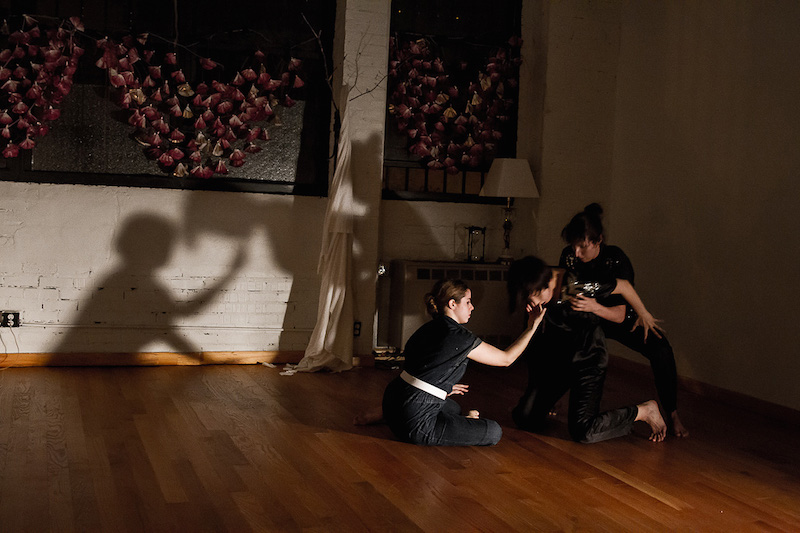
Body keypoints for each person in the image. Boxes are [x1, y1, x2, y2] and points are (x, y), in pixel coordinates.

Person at [360, 272, 550, 446]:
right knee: (493, 432)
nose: (472, 307)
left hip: (394, 399)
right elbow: (506, 359)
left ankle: (387, 414)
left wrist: (444, 387)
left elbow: (423, 368)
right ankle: (464, 423)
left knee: (453, 408)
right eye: (468, 302)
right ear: (452, 304)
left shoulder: (428, 328)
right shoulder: (460, 336)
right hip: (415, 420)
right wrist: (531, 327)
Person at [560, 203, 688, 437]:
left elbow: (619, 313)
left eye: (583, 246)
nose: (576, 252)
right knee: (561, 340)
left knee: (660, 348)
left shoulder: (615, 259)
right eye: (573, 245)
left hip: (618, 316)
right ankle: (549, 402)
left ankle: (672, 414)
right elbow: (568, 294)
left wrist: (596, 306)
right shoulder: (570, 258)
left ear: (598, 240)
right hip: (588, 318)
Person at [508, 255, 667, 443]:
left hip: (588, 360)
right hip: (559, 362)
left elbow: (623, 285)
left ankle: (643, 411)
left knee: (583, 431)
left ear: (547, 283)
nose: (533, 301)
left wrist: (644, 313)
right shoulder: (535, 287)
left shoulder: (576, 285)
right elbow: (537, 353)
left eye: (535, 294)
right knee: (524, 418)